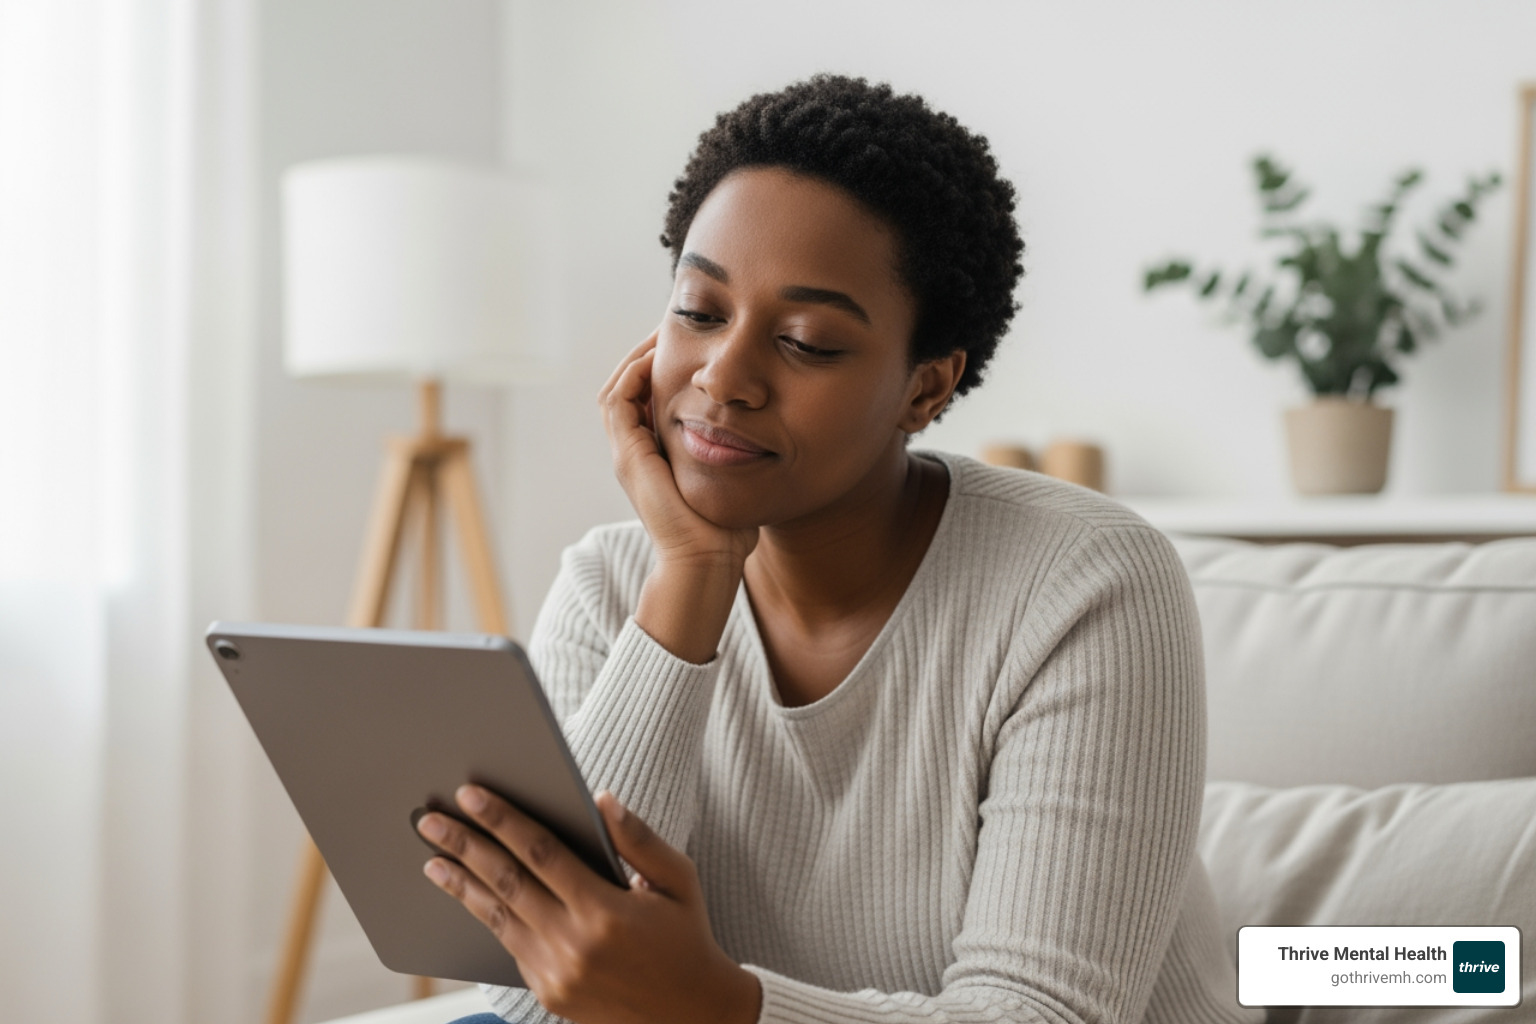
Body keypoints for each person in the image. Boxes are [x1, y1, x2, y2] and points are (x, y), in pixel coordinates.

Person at [415, 74, 1261, 1024]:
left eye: (809, 342)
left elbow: (1039, 1015)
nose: (724, 377)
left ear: (925, 391)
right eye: (698, 311)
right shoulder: (612, 585)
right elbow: (536, 999)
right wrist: (693, 576)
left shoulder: (1084, 581)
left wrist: (718, 1007)